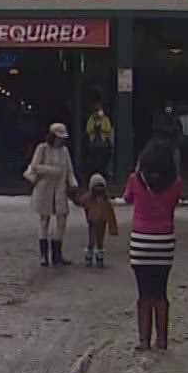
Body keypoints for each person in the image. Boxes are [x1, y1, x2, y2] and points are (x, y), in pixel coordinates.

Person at [124, 135, 182, 349]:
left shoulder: (135, 180)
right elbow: (174, 202)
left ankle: (143, 340)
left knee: (143, 293)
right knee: (160, 292)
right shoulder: (175, 183)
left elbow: (128, 198)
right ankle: (162, 340)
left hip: (140, 241)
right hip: (164, 241)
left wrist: (137, 170)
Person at [26, 122, 78, 266]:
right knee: (44, 219)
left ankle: (57, 254)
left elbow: (69, 171)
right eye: (58, 137)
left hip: (59, 190)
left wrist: (73, 185)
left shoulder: (65, 151)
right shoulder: (42, 149)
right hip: (44, 189)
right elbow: (35, 166)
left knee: (62, 219)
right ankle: (44, 255)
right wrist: (52, 170)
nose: (61, 140)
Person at [81, 173, 118, 268]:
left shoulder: (105, 200)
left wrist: (112, 227)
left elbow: (110, 214)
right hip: (93, 222)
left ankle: (97, 257)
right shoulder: (89, 198)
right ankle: (92, 256)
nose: (99, 189)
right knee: (92, 240)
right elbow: (80, 201)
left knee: (99, 240)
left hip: (101, 222)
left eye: (100, 186)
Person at [81, 94, 114, 184]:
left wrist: (101, 128)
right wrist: (95, 128)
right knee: (93, 162)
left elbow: (108, 129)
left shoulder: (105, 119)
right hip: (93, 143)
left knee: (103, 163)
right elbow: (88, 130)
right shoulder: (91, 118)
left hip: (103, 144)